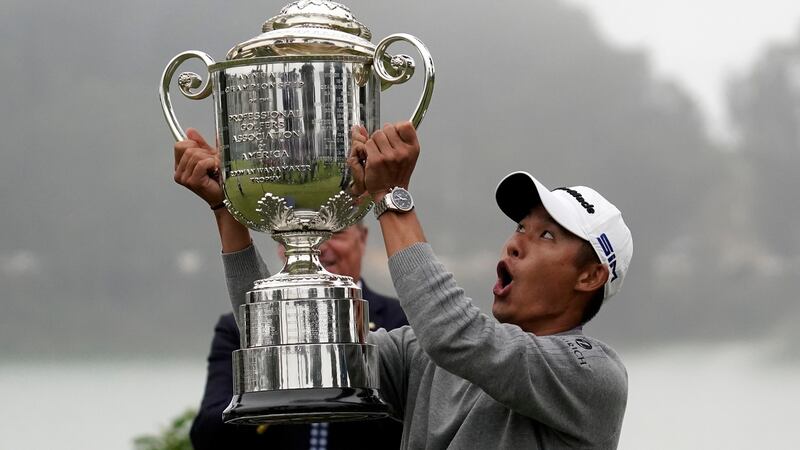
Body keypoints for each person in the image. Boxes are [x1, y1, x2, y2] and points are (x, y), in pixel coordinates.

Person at [175, 121, 634, 449]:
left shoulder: (592, 374)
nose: (515, 244)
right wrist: (227, 213)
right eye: (520, 226)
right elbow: (286, 341)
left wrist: (389, 197)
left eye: (546, 236)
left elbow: (459, 337)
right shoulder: (423, 354)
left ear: (590, 276)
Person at [174, 129, 407, 450]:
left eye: (335, 230)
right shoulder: (236, 329)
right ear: (280, 240)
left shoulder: (401, 323)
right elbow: (208, 435)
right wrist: (274, 383)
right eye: (295, 229)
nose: (321, 246)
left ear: (362, 239)